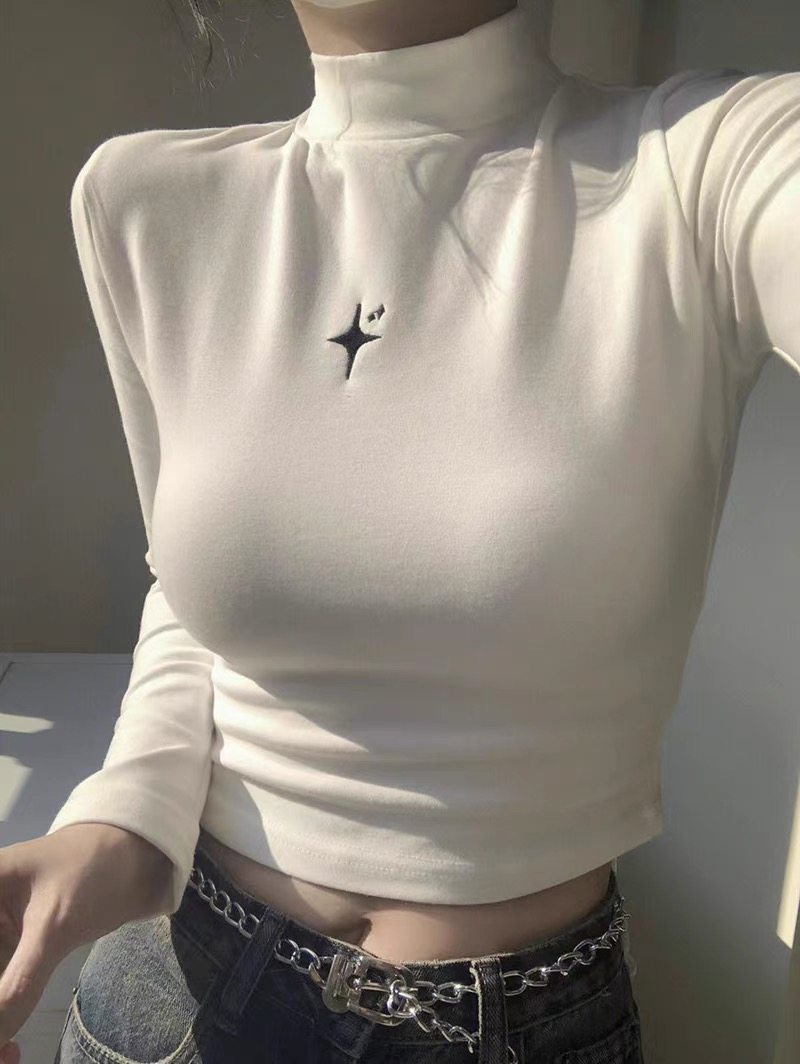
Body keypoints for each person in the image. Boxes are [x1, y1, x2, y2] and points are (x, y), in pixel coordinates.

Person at [0, 0, 798, 1061]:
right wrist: (125, 819)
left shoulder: (712, 165)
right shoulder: (140, 199)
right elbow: (192, 588)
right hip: (168, 995)